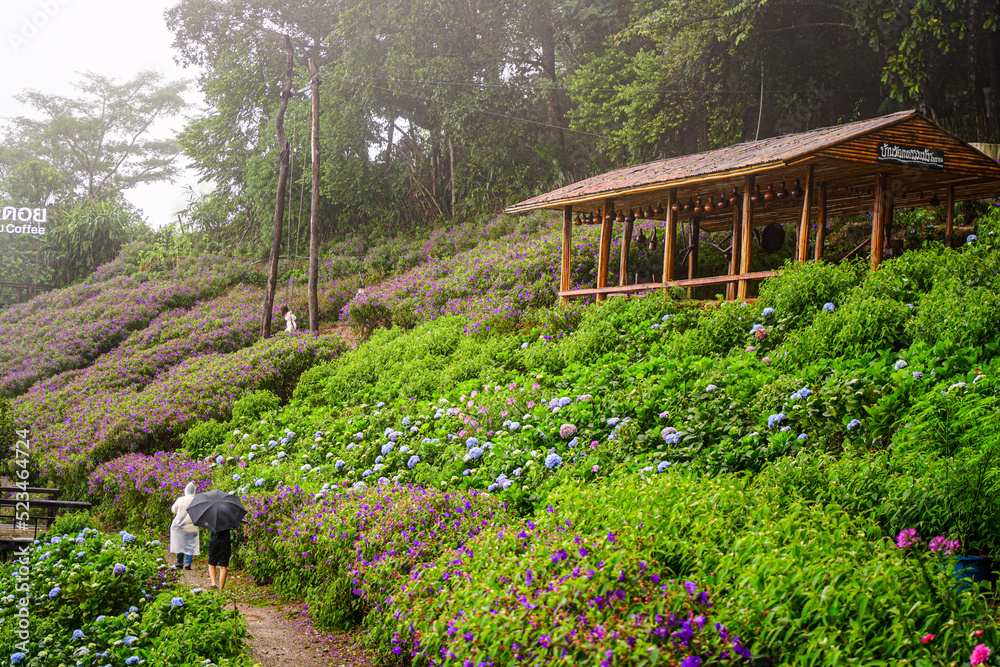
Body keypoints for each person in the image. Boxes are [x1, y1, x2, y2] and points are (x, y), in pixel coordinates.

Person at [169, 482, 200, 570]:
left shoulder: (180, 499)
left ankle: (179, 562)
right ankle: (187, 563)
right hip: (191, 524)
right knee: (190, 543)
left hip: (179, 523)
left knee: (180, 543)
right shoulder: (196, 500)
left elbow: (173, 510)